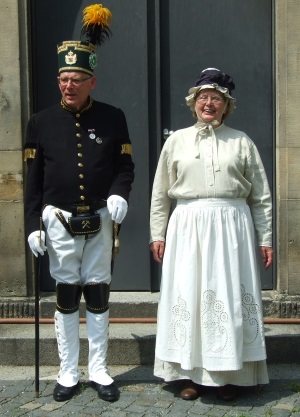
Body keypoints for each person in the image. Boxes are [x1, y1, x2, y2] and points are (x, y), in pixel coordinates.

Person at [24, 4, 134, 403]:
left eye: (77, 79)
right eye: (63, 79)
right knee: (67, 296)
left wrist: (122, 192)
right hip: (58, 220)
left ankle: (100, 368)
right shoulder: (40, 122)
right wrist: (34, 223)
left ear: (92, 81)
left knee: (99, 294)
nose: (68, 85)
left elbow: (125, 164)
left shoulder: (113, 117)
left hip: (101, 219)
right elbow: (33, 179)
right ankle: (68, 372)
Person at [149, 68, 273, 401]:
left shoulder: (241, 141)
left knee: (229, 296)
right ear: (193, 103)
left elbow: (260, 196)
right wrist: (156, 233)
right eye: (203, 97)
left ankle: (230, 374)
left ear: (226, 105)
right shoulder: (176, 141)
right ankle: (190, 375)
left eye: (216, 98)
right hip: (188, 225)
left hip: (232, 226)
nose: (209, 103)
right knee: (189, 294)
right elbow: (161, 192)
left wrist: (265, 238)